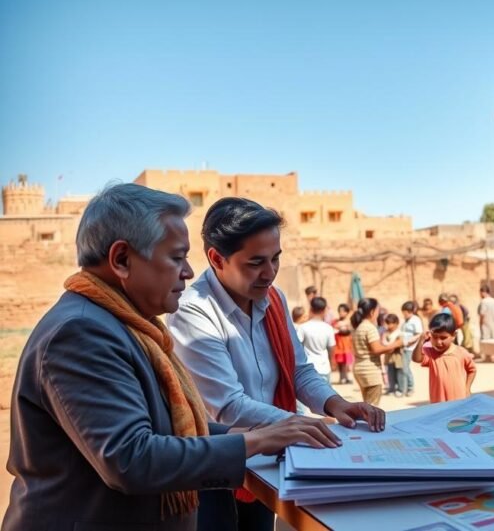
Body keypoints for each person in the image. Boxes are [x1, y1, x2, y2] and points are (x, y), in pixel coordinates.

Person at [2, 184, 341, 531]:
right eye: (176, 258)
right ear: (121, 260)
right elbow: (132, 458)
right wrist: (259, 438)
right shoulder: (82, 333)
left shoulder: (128, 326)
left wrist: (266, 434)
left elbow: (168, 425)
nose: (187, 273)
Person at [167, 197, 384, 530]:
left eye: (275, 259)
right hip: (218, 462)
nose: (269, 273)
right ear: (216, 258)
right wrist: (302, 424)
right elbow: (227, 406)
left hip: (268, 458)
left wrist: (335, 403)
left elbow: (298, 370)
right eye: (255, 263)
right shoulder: (193, 310)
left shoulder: (274, 298)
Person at [350, 297, 404, 404]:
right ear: (372, 312)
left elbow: (370, 348)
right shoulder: (370, 328)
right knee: (373, 407)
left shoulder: (359, 327)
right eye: (378, 310)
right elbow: (376, 349)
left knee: (367, 404)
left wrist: (387, 347)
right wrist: (396, 344)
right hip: (370, 371)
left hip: (360, 369)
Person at [412, 313, 476, 403]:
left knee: (458, 417)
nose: (438, 342)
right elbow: (416, 359)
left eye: (443, 338)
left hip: (459, 400)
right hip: (438, 402)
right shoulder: (430, 353)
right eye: (434, 337)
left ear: (454, 335)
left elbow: (472, 370)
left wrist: (467, 388)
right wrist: (421, 340)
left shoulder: (461, 352)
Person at [297, 296, 335, 387]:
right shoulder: (328, 328)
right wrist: (332, 363)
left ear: (311, 309)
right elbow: (332, 348)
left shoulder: (303, 327)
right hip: (324, 369)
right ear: (324, 310)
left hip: (308, 369)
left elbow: (297, 346)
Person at [399, 301, 423, 396]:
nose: (404, 314)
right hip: (404, 346)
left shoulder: (415, 320)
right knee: (404, 367)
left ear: (409, 311)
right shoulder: (405, 320)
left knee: (405, 367)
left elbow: (419, 334)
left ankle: (410, 387)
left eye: (405, 312)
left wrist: (410, 342)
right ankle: (405, 387)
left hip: (410, 347)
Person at [381, 313, 405, 397]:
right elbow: (383, 342)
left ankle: (400, 389)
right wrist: (388, 346)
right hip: (389, 356)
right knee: (390, 373)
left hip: (397, 356)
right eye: (388, 323)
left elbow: (400, 343)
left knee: (399, 373)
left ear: (396, 323)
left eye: (391, 323)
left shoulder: (399, 333)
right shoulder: (385, 333)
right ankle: (391, 389)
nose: (389, 325)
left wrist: (391, 346)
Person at [333, 303, 354, 384]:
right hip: (339, 344)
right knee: (340, 361)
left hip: (346, 344)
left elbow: (349, 330)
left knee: (345, 362)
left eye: (343, 311)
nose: (341, 313)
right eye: (340, 311)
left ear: (347, 312)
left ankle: (345, 377)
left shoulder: (349, 322)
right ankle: (342, 377)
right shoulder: (336, 322)